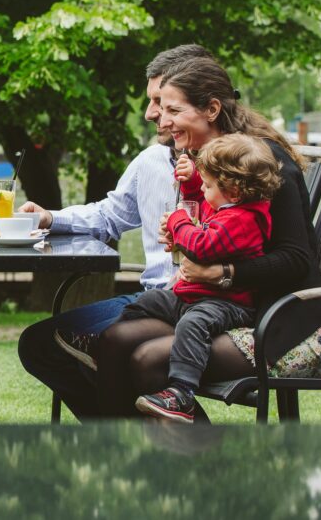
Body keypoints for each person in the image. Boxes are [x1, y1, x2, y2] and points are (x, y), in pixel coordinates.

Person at [95, 56, 321, 418]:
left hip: (286, 327)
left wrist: (223, 273)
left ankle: (203, 452)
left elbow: (296, 259)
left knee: (148, 359)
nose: (161, 119)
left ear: (211, 110)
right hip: (226, 310)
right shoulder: (209, 168)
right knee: (114, 340)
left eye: (173, 109)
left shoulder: (261, 166)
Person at [16, 44, 214, 420]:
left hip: (195, 304)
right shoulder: (150, 161)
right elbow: (109, 216)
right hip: (152, 298)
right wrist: (50, 218)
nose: (151, 113)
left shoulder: (227, 167)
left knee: (99, 348)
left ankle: (176, 442)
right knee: (39, 344)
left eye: (162, 102)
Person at [120, 134, 282, 423]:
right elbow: (202, 207)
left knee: (193, 324)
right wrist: (193, 181)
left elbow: (201, 246)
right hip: (196, 296)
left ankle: (182, 392)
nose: (203, 191)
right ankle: (111, 343)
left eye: (208, 185)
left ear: (233, 191)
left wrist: (177, 220)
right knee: (148, 301)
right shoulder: (227, 207)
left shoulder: (243, 220)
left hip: (226, 303)